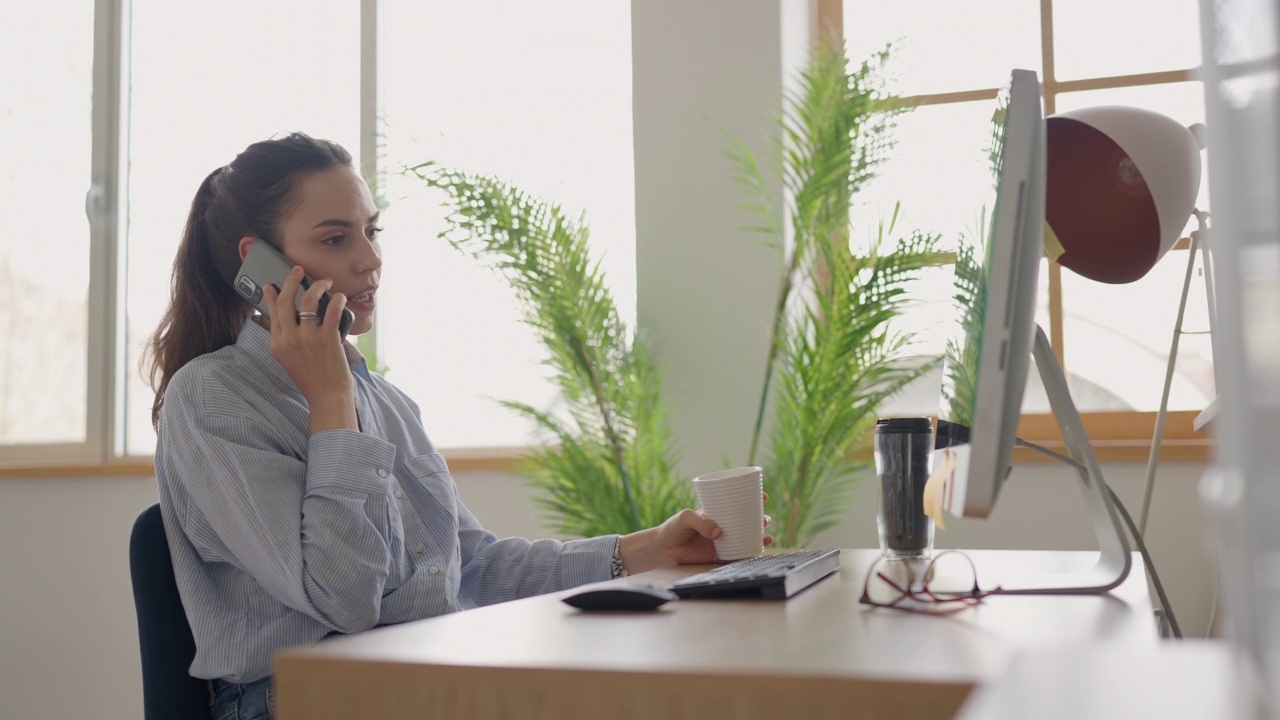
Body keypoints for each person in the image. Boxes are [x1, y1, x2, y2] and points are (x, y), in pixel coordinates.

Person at [146, 132, 770, 719]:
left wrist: (643, 551)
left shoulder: (385, 401)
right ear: (261, 263)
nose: (370, 260)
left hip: (416, 677)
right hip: (304, 697)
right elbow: (345, 601)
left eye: (371, 231)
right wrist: (330, 402)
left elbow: (469, 567)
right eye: (336, 239)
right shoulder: (212, 397)